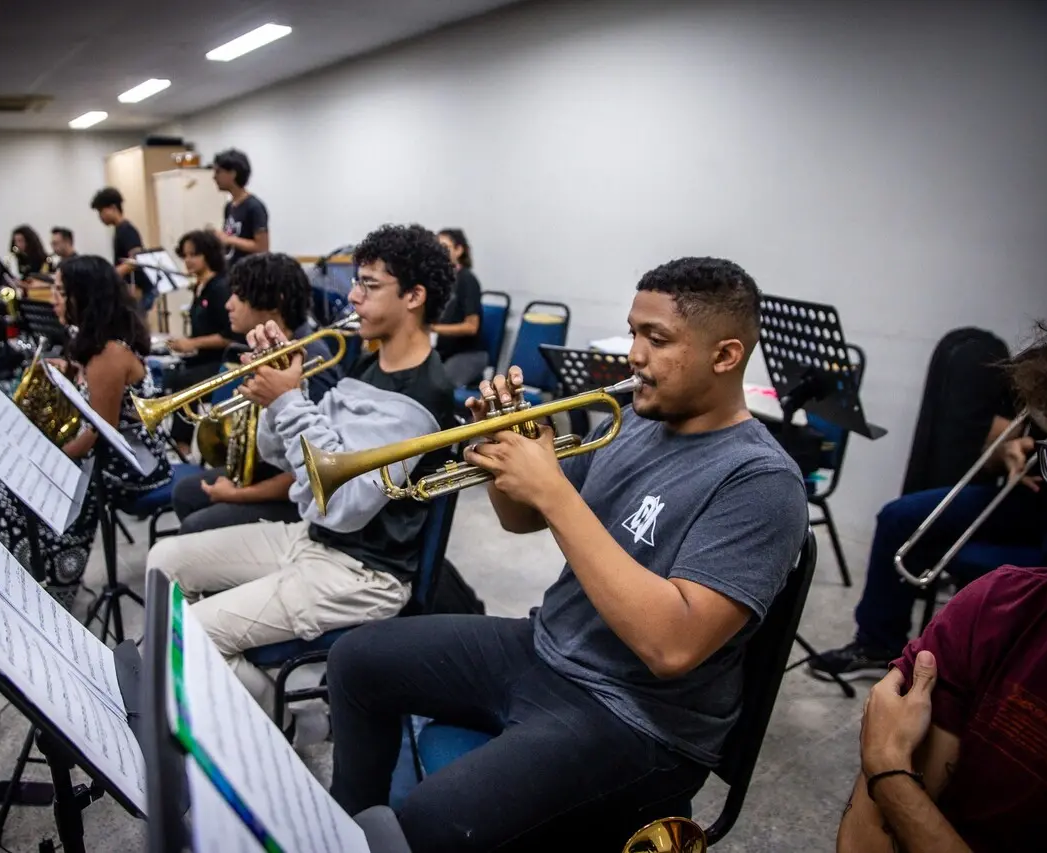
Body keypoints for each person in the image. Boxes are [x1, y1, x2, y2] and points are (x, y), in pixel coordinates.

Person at [325, 257, 810, 852]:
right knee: (355, 659)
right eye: (634, 332)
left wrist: (554, 491)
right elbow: (522, 519)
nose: (634, 355)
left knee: (433, 823)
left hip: (636, 718)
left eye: (657, 339)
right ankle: (343, 836)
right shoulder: (634, 421)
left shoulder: (760, 481)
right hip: (545, 648)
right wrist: (499, 455)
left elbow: (672, 646)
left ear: (726, 355)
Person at [146, 223, 456, 724]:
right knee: (165, 560)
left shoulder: (424, 395)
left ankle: (269, 728)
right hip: (314, 540)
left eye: (370, 286)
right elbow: (282, 457)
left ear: (414, 296)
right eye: (356, 282)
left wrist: (290, 400)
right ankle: (214, 698)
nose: (353, 296)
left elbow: (344, 505)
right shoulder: (365, 367)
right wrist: (274, 394)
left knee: (192, 636)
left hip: (363, 572)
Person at [836, 321, 1047, 853]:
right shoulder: (993, 602)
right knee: (900, 517)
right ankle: (877, 639)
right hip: (1024, 492)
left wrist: (888, 770)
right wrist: (1017, 447)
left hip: (1040, 519)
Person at [809, 380, 1047, 679]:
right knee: (899, 518)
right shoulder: (1039, 371)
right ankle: (878, 645)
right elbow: (993, 450)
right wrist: (1009, 450)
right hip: (1026, 496)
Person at [0, 255, 171, 605]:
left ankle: (47, 587)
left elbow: (97, 435)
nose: (53, 298)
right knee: (6, 481)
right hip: (111, 452)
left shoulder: (108, 355)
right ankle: (22, 579)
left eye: (60, 291)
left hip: (132, 464)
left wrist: (45, 459)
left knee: (15, 490)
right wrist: (72, 370)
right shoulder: (96, 344)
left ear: (85, 297)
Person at [167, 251, 343, 534]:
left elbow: (313, 467)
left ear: (275, 302)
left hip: (300, 493)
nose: (228, 304)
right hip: (272, 469)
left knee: (194, 525)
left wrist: (237, 495)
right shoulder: (271, 347)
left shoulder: (309, 360)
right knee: (186, 492)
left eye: (239, 294)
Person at [156, 229, 239, 458]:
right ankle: (169, 442)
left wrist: (191, 343)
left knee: (185, 383)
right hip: (203, 358)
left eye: (194, 254)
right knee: (169, 374)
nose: (188, 260)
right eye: (185, 255)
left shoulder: (219, 288)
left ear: (208, 255)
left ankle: (183, 448)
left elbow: (228, 336)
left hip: (222, 361)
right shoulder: (200, 286)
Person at [432, 228, 487, 386]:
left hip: (468, 354)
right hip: (444, 352)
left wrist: (433, 328)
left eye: (444, 247)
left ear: (459, 250)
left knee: (438, 387)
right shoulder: (440, 280)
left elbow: (471, 327)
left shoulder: (468, 280)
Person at [90, 186, 153, 313]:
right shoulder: (119, 230)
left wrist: (112, 274)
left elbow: (136, 259)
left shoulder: (126, 230)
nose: (100, 217)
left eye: (101, 211)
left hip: (139, 289)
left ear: (113, 208)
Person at [212, 148, 269, 264]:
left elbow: (262, 248)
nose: (214, 177)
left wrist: (229, 240)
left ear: (232, 174)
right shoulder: (229, 207)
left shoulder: (254, 207)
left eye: (218, 172)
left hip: (249, 275)